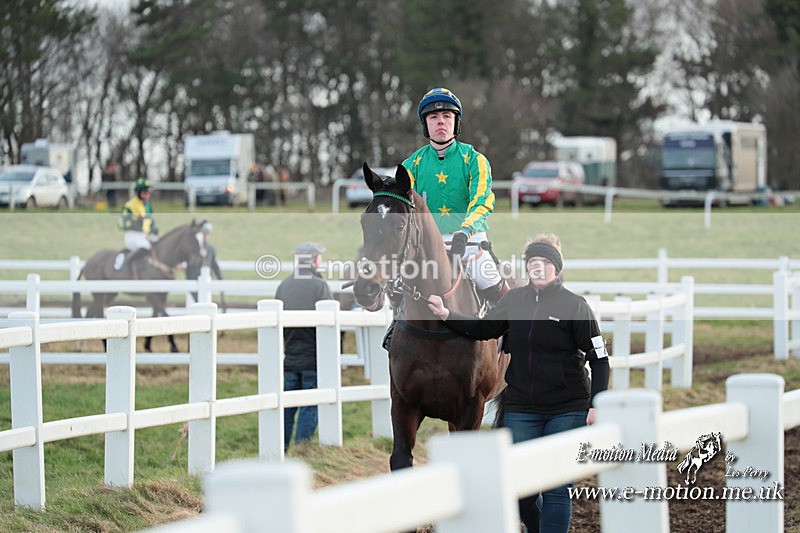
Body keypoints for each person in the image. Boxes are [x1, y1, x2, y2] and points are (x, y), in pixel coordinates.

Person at [426, 234, 610, 533]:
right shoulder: (514, 300)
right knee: (521, 488)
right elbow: (484, 328)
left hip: (567, 408)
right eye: (533, 263)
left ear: (556, 269)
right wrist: (448, 315)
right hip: (522, 408)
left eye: (545, 263)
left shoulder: (575, 306)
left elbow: (599, 358)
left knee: (556, 487)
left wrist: (596, 405)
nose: (539, 268)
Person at [402, 86, 508, 301]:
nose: (440, 121)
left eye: (446, 116)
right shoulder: (410, 165)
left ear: (455, 122)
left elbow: (483, 201)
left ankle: (515, 331)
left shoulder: (475, 160)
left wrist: (464, 232)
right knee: (398, 291)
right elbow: (403, 208)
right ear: (426, 124)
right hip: (425, 246)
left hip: (469, 242)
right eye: (433, 117)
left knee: (491, 282)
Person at [276, 242, 333, 451]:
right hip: (313, 357)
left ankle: (279, 449)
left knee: (287, 407)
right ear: (314, 260)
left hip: (290, 356)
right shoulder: (320, 286)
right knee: (310, 406)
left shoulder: (283, 285)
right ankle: (302, 451)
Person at [116, 177, 158, 277]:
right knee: (145, 247)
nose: (148, 194)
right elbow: (121, 224)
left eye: (149, 191)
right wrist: (134, 222)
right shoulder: (130, 205)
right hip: (133, 235)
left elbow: (151, 221)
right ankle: (126, 262)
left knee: (160, 245)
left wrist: (154, 227)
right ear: (139, 193)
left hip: (146, 235)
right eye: (146, 191)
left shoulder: (148, 205)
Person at [186, 218, 223, 303]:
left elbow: (214, 265)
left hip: (206, 282)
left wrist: (221, 280)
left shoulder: (210, 249)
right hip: (193, 281)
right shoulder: (192, 248)